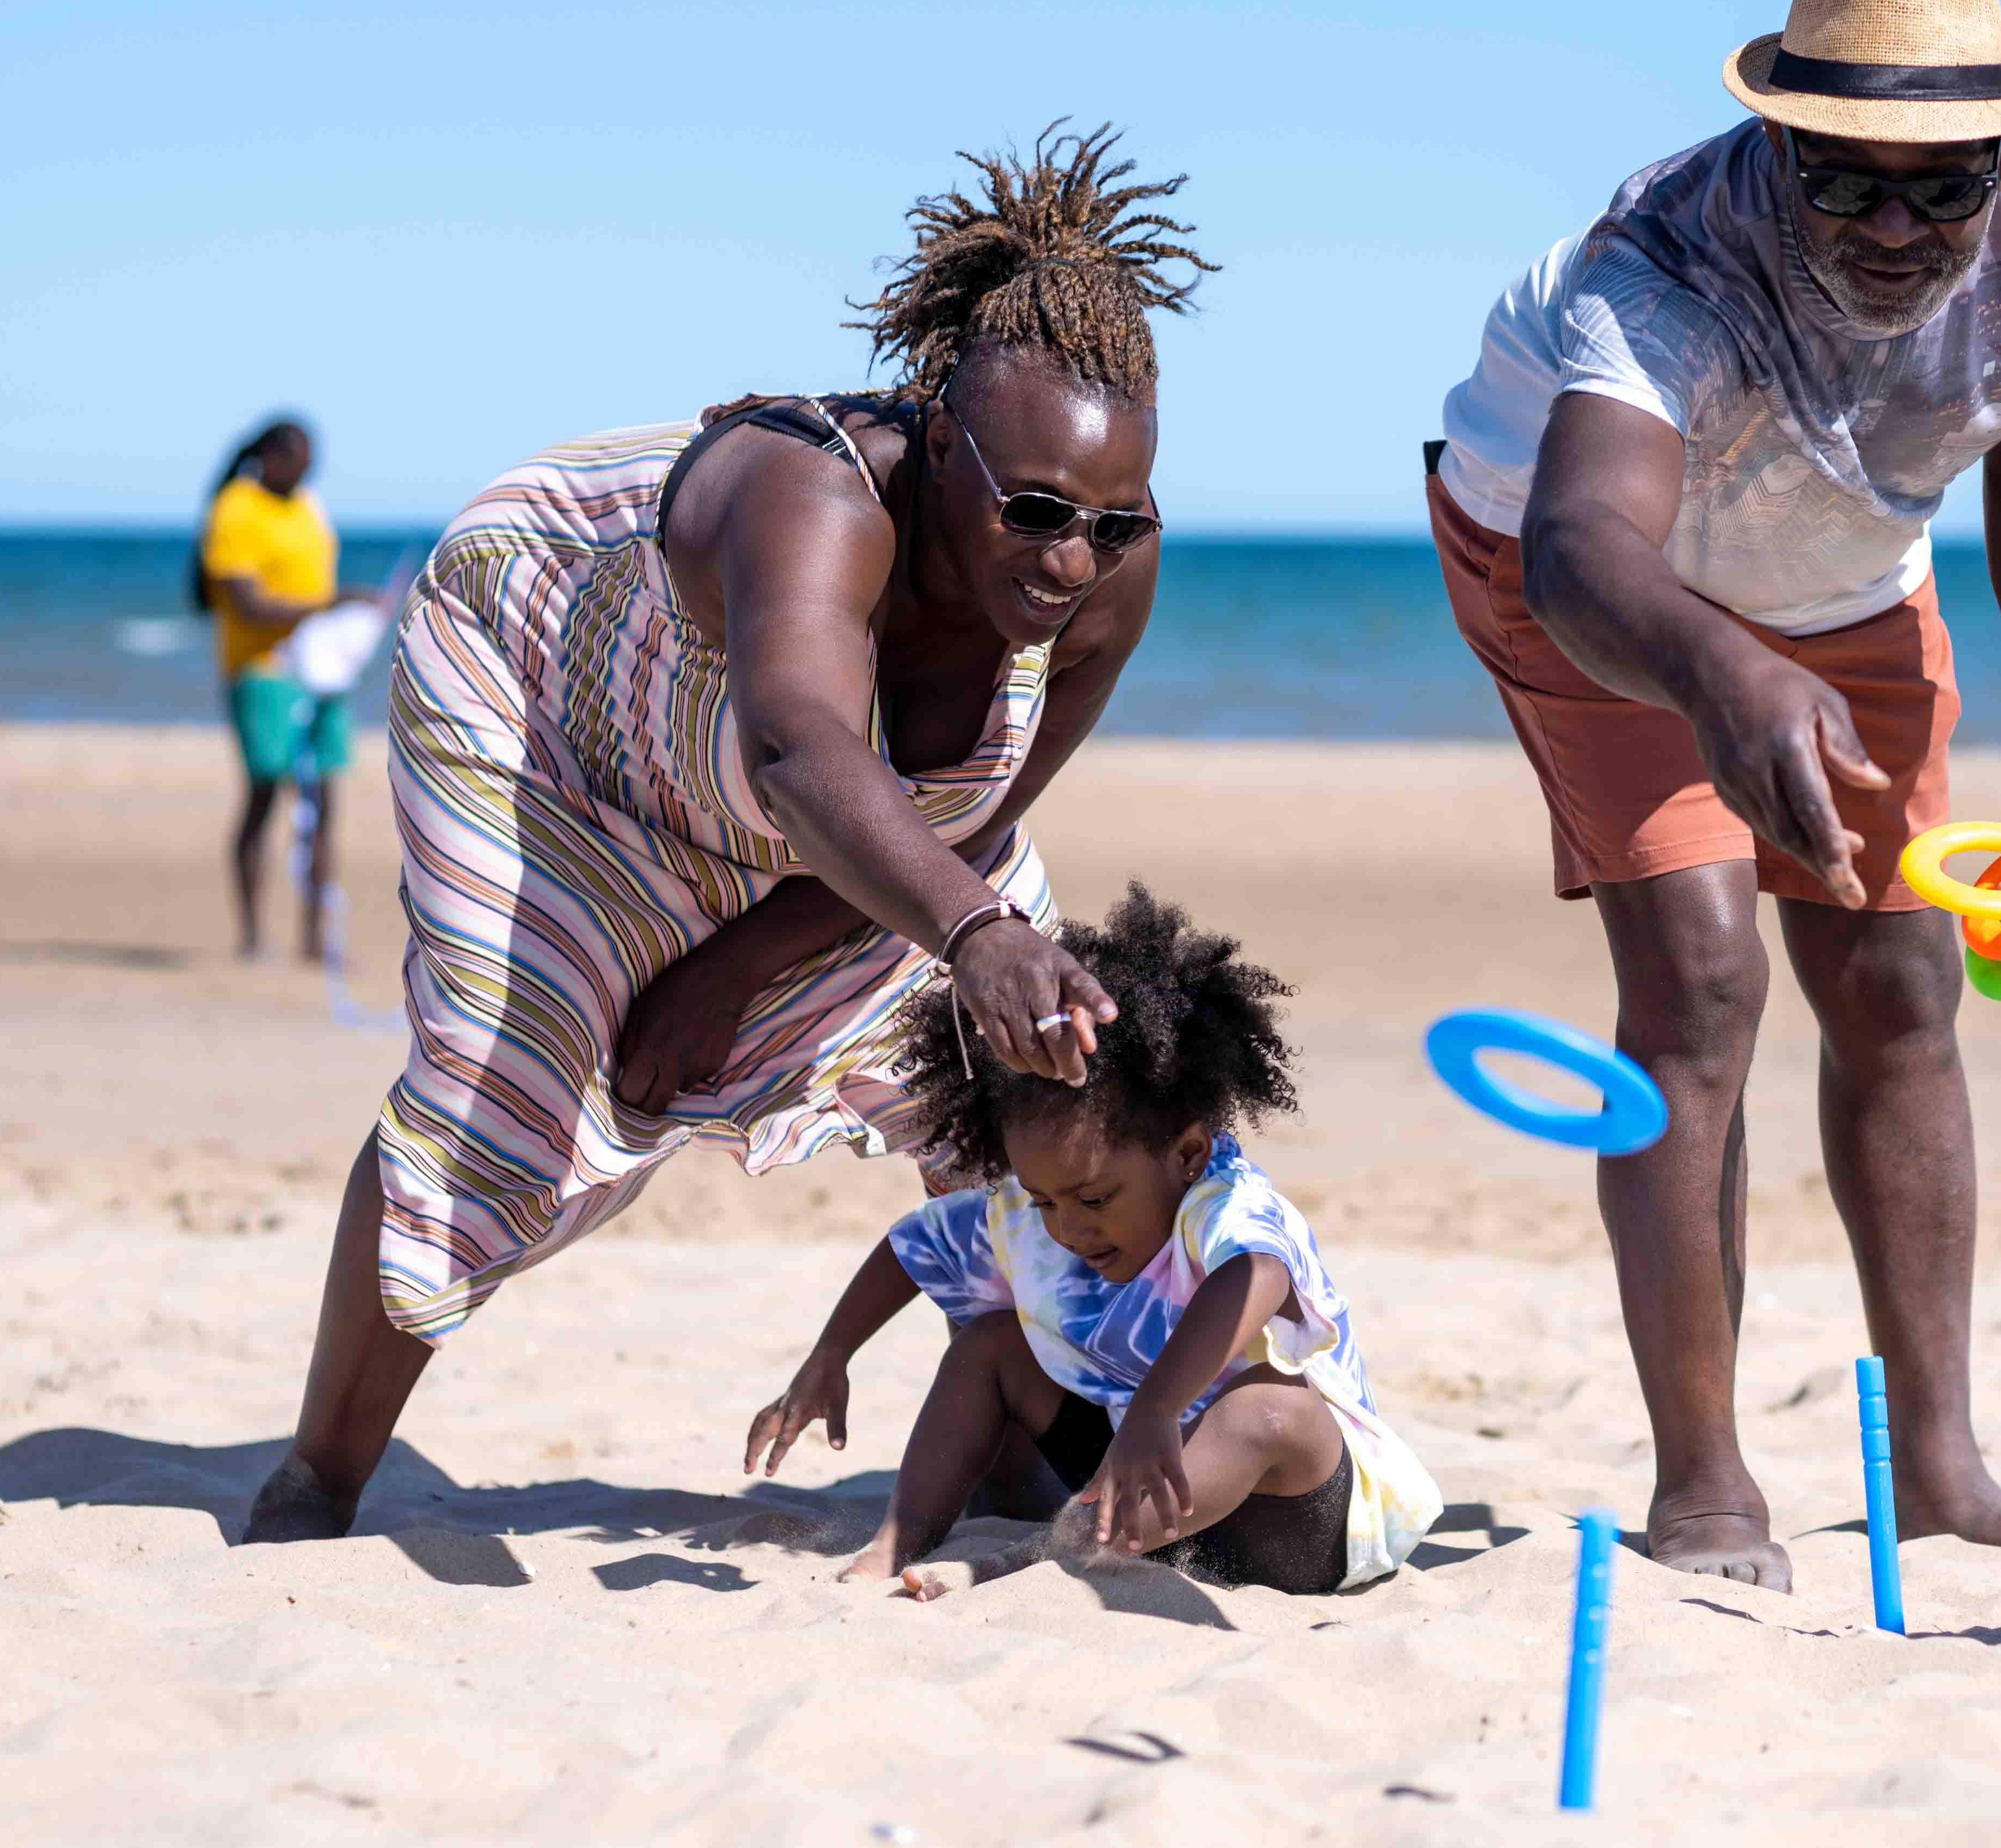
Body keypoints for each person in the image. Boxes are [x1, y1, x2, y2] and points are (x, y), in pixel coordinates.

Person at [244, 124, 1212, 1543]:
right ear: (942, 436)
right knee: (505, 1077)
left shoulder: (1110, 575)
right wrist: (968, 925)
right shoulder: (812, 493)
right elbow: (800, 745)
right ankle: (316, 1477)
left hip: (791, 810)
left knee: (1015, 1055)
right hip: (542, 715)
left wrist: (742, 964)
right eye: (1036, 509)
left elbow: (971, 810)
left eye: (1114, 522)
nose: (1071, 559)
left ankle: (1006, 1423)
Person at [1426, 0, 2001, 1586]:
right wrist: (1722, 670)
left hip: (1842, 577)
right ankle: (1706, 1490)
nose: (1895, 233)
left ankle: (1943, 1466)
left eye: (1939, 194)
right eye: (1845, 189)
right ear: (1775, 143)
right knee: (1702, 979)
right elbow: (1583, 548)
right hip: (1597, 583)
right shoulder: (1659, 267)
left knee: (1898, 986)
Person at [747, 887, 1442, 1595]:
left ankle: (1032, 1559)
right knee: (991, 1342)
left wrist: (1158, 1408)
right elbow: (915, 1248)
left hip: (1293, 1527)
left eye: (1095, 1198)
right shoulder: (1034, 1204)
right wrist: (831, 1355)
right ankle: (897, 1541)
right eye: (1046, 1199)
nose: (1068, 1226)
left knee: (1271, 1408)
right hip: (1138, 1484)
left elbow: (1257, 1274)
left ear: (1189, 1153)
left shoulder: (1224, 1202)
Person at [194, 416, 369, 961]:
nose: (307, 469)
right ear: (271, 457)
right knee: (265, 795)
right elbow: (246, 602)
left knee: (321, 802)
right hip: (263, 670)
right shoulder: (236, 508)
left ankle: (314, 941)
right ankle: (252, 937)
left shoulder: (310, 507)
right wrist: (330, 605)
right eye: (298, 458)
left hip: (320, 672)